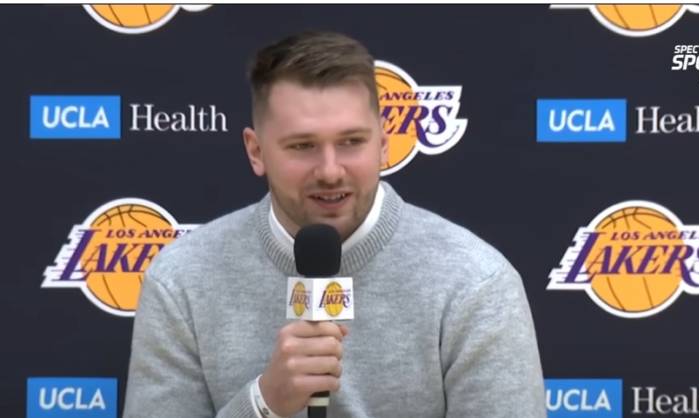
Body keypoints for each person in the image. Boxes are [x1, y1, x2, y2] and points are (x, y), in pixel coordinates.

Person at [123, 31, 546, 418]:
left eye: (351, 142)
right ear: (256, 151)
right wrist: (263, 404)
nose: (329, 171)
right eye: (302, 146)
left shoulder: (475, 282)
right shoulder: (181, 279)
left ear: (384, 143)